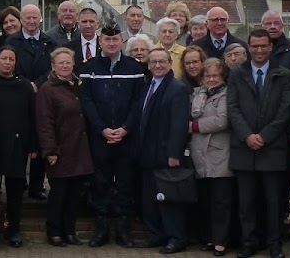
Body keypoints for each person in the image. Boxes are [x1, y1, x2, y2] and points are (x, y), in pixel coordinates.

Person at [227, 29, 290, 258]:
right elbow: (232, 108)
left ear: (270, 47)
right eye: (254, 46)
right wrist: (247, 135)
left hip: (272, 149)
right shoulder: (237, 74)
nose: (259, 50)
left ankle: (274, 244)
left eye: (263, 46)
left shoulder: (283, 75)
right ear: (248, 47)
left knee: (273, 202)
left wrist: (264, 136)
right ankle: (249, 243)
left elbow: (285, 111)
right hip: (243, 149)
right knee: (246, 203)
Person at [78, 21, 145, 247]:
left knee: (125, 184)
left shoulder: (134, 69)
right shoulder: (88, 69)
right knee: (100, 184)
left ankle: (124, 231)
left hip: (127, 138)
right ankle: (102, 229)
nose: (111, 43)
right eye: (107, 39)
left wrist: (125, 129)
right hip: (100, 137)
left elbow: (138, 102)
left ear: (121, 41)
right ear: (100, 42)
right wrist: (102, 129)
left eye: (115, 39)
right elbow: (86, 103)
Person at [35, 48, 93, 247]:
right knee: (58, 194)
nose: (65, 66)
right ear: (53, 66)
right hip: (60, 150)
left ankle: (70, 230)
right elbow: (44, 123)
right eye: (61, 63)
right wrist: (50, 150)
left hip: (80, 149)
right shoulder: (47, 89)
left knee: (74, 195)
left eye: (68, 62)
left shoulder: (78, 85)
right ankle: (54, 232)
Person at [0, 45, 36, 247]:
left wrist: (34, 145)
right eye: (4, 58)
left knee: (14, 193)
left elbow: (32, 116)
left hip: (17, 146)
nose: (7, 63)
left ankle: (14, 230)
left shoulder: (25, 86)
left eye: (11, 59)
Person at [137, 47, 192, 254]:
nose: (158, 65)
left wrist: (174, 154)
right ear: (149, 65)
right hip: (147, 154)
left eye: (162, 61)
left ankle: (176, 238)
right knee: (151, 199)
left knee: (170, 200)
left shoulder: (177, 88)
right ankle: (156, 234)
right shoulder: (147, 86)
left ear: (170, 63)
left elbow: (179, 125)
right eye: (154, 62)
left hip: (166, 155)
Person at [4, 4, 57, 200]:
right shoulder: (12, 41)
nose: (32, 21)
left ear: (40, 19)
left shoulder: (49, 42)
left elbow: (53, 67)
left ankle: (37, 185)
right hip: (20, 96)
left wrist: (39, 84)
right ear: (22, 20)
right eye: (28, 18)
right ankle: (19, 184)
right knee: (21, 141)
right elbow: (10, 65)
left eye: (35, 17)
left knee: (41, 139)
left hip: (44, 96)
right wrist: (28, 85)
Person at [262, 11, 290, 244]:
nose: (272, 26)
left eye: (276, 23)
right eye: (267, 23)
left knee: (287, 173)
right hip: (262, 118)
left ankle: (282, 216)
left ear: (282, 25)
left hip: (287, 118)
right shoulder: (258, 45)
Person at [188, 58, 232, 257]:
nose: (211, 79)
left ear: (222, 76)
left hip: (220, 153)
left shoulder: (226, 94)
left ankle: (221, 241)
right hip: (199, 154)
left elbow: (222, 121)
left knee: (220, 201)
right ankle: (208, 238)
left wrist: (195, 127)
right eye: (207, 76)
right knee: (205, 200)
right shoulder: (196, 93)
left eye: (215, 75)